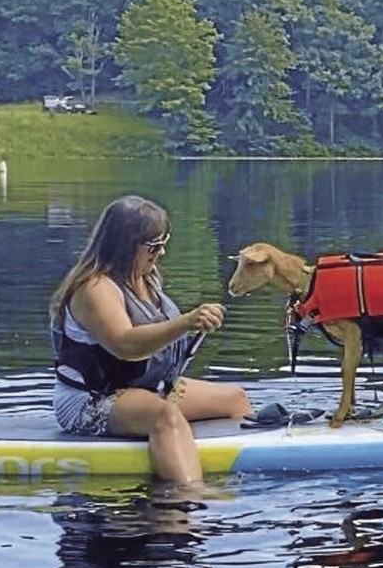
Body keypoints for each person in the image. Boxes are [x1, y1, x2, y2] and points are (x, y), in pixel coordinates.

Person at [50, 195, 252, 484]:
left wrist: (193, 325)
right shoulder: (94, 288)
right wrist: (186, 322)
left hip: (146, 387)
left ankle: (217, 466)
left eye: (163, 242)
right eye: (153, 246)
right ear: (124, 245)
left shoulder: (147, 276)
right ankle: (186, 499)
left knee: (236, 399)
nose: (161, 252)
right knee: (164, 415)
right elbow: (125, 345)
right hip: (93, 398)